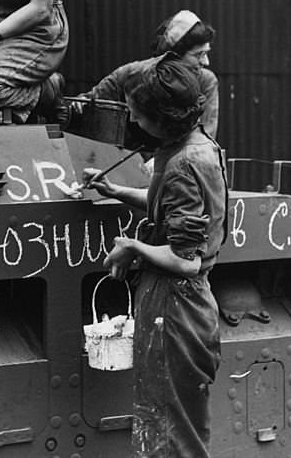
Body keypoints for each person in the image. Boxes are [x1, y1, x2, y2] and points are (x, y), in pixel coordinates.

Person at [83, 55, 227, 458]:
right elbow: (173, 207)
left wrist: (132, 246)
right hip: (186, 305)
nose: (135, 123)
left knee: (170, 435)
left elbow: (186, 260)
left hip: (175, 305)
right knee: (177, 427)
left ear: (164, 120)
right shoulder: (200, 147)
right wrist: (117, 192)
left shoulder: (182, 164)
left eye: (140, 117)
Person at [87, 10, 220, 140]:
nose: (206, 62)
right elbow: (87, 103)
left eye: (206, 53)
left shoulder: (205, 81)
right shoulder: (132, 74)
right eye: (198, 55)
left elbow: (205, 136)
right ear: (174, 55)